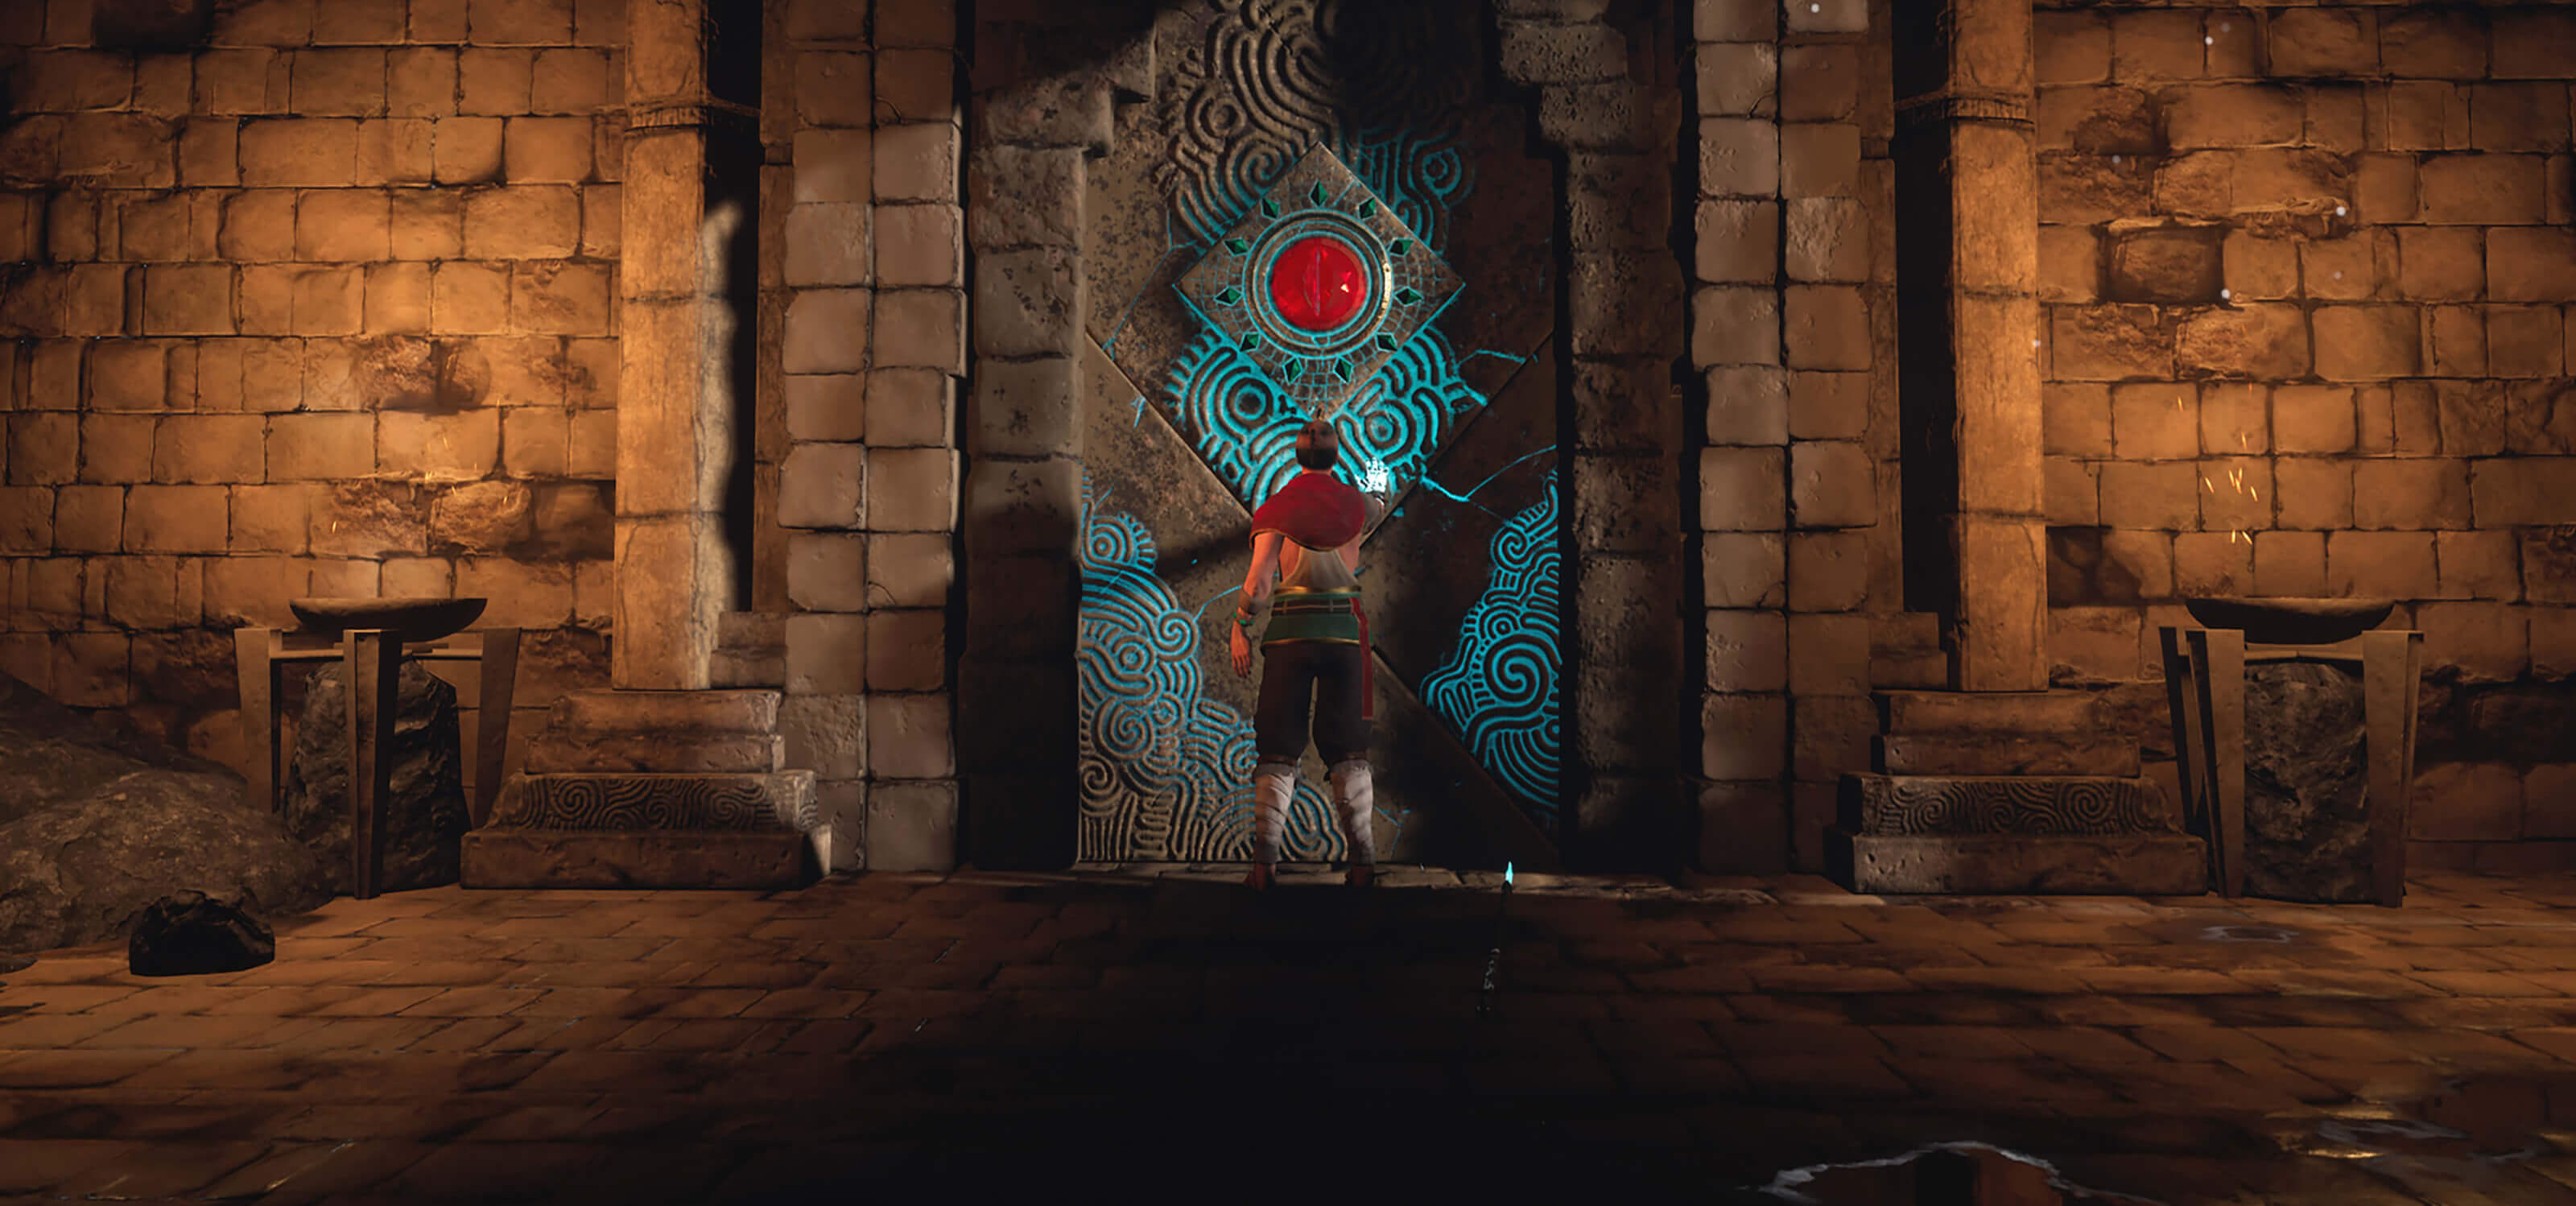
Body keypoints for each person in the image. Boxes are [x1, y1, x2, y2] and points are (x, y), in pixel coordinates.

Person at [1228, 419, 1389, 890]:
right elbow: (1378, 501)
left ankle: (1264, 868)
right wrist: (1378, 482)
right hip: (1345, 634)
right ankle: (1363, 868)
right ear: (1336, 457)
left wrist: (1240, 625)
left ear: (1296, 456)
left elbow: (1258, 585)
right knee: (1349, 748)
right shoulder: (1358, 505)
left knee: (1277, 747)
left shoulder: (1276, 509)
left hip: (1291, 633)